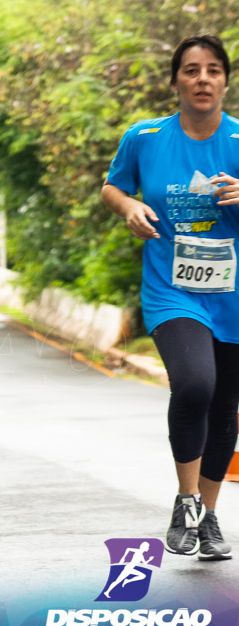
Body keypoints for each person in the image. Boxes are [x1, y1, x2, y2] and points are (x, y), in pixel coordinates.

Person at [102, 35, 239, 560]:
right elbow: (112, 187)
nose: (202, 79)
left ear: (225, 81)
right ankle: (186, 500)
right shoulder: (146, 136)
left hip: (232, 293)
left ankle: (208, 515)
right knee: (196, 384)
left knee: (226, 404)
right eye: (190, 70)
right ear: (175, 81)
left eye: (212, 70)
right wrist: (129, 207)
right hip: (172, 290)